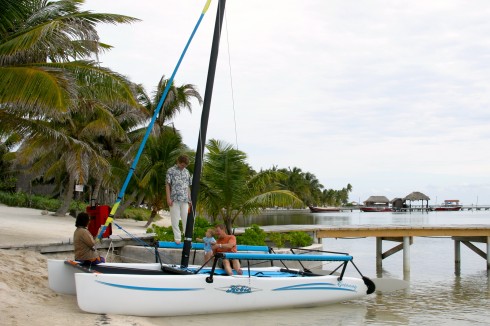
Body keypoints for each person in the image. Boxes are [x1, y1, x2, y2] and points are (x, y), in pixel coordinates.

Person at [166, 154, 192, 244]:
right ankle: (177, 238)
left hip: (185, 200)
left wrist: (190, 199)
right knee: (175, 220)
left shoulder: (187, 172)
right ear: (178, 162)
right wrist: (168, 198)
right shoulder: (170, 171)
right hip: (174, 199)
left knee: (186, 220)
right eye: (182, 165)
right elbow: (168, 185)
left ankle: (187, 238)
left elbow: (188, 186)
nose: (183, 167)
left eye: (185, 166)